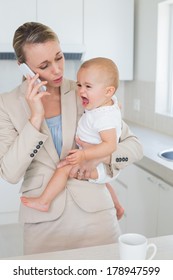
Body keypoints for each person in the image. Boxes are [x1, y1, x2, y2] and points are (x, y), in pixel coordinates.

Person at [0, 22, 143, 255]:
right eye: (45, 65)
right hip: (42, 221)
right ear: (23, 67)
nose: (57, 70)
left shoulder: (85, 91)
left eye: (59, 57)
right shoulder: (6, 105)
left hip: (97, 216)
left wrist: (97, 157)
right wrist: (35, 117)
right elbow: (10, 172)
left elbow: (134, 147)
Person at [20, 57, 124, 220]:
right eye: (79, 85)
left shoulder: (105, 117)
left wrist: (84, 155)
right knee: (104, 182)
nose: (81, 91)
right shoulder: (106, 103)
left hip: (99, 163)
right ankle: (117, 205)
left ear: (108, 91)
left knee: (63, 168)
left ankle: (44, 201)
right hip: (100, 165)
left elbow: (110, 146)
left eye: (88, 86)